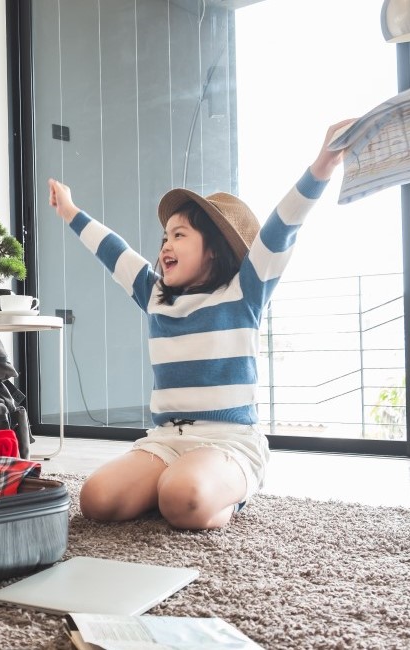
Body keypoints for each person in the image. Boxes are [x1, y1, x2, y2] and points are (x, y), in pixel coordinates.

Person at [47, 119, 355, 530]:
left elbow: (281, 230)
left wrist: (323, 165)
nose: (165, 246)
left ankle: (224, 491)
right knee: (96, 500)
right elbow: (113, 250)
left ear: (213, 250)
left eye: (179, 235)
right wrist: (70, 211)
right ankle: (178, 486)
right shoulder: (155, 295)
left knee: (181, 498)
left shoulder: (244, 291)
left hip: (228, 442)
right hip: (166, 441)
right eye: (163, 239)